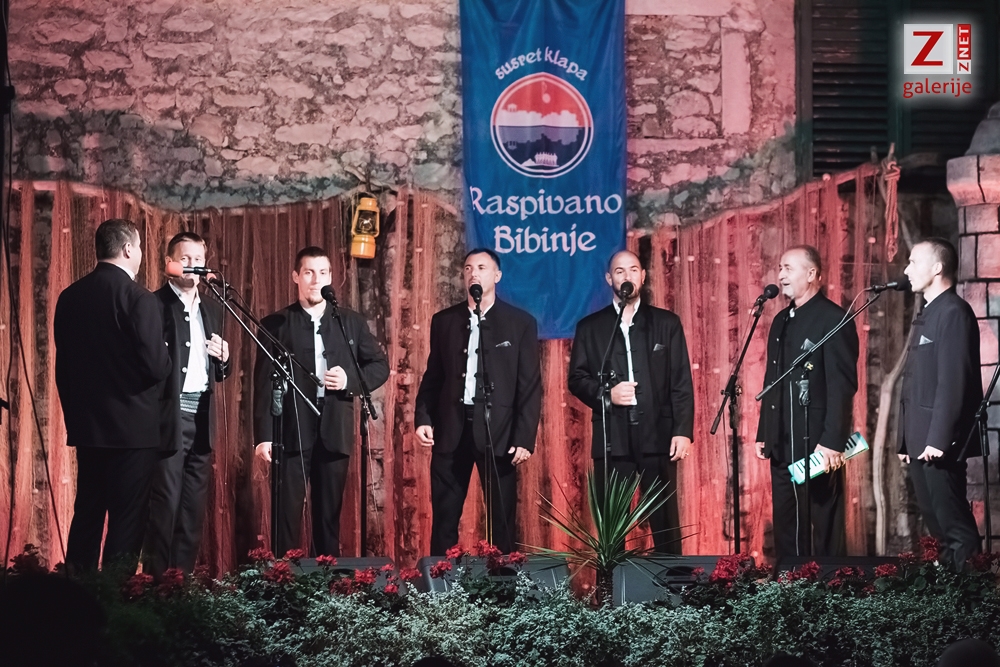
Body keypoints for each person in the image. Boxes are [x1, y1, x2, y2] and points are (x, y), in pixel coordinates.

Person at [253, 246, 389, 557]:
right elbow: (262, 383)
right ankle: (285, 577)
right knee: (285, 515)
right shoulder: (276, 324)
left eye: (323, 273)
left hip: (334, 428)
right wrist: (263, 436)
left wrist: (349, 380)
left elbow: (379, 365)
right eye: (309, 273)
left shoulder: (349, 321)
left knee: (328, 517)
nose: (317, 280)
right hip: (291, 430)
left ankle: (326, 578)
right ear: (296, 277)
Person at [54, 218, 172, 572]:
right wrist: (165, 353)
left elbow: (63, 369)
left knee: (87, 515)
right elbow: (156, 367)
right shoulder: (139, 298)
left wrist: (75, 417)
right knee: (127, 521)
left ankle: (77, 594)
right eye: (139, 247)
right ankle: (116, 598)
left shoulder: (70, 296)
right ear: (128, 249)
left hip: (89, 428)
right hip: (133, 432)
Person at [415, 248, 542, 555]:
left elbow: (529, 386)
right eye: (468, 268)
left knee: (502, 520)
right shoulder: (444, 321)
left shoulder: (520, 323)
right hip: (452, 429)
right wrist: (423, 418)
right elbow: (434, 376)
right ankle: (441, 580)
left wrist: (524, 437)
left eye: (482, 268)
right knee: (444, 519)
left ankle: (503, 579)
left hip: (499, 433)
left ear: (496, 276)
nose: (474, 273)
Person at [568, 250, 694, 554]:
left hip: (658, 435)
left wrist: (682, 431)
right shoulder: (591, 327)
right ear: (609, 279)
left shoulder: (666, 323)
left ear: (643, 276)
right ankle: (612, 583)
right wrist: (607, 394)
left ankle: (672, 581)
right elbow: (577, 378)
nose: (627, 276)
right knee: (612, 525)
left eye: (633, 270)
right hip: (613, 438)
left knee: (665, 520)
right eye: (620, 271)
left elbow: (680, 380)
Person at [755, 245, 858, 558]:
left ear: (812, 274)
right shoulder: (781, 320)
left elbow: (842, 386)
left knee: (824, 522)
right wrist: (764, 431)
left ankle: (830, 582)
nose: (781, 275)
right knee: (787, 523)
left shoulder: (834, 318)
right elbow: (772, 379)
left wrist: (832, 442)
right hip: (781, 440)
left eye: (788, 268)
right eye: (780, 268)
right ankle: (791, 580)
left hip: (817, 442)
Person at [144, 232, 231, 578]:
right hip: (170, 415)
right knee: (165, 503)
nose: (193, 265)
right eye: (185, 258)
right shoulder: (153, 305)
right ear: (169, 263)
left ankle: (180, 583)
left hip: (203, 415)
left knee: (192, 508)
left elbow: (218, 372)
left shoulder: (213, 307)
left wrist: (224, 359)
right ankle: (154, 583)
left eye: (198, 259)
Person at [899, 238, 983, 571]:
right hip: (920, 440)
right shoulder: (930, 311)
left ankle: (969, 593)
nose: (906, 270)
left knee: (955, 527)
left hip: (937, 442)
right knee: (938, 526)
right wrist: (905, 440)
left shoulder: (953, 312)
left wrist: (939, 439)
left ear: (937, 268)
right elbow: (914, 383)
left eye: (913, 262)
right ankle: (949, 591)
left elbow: (953, 382)